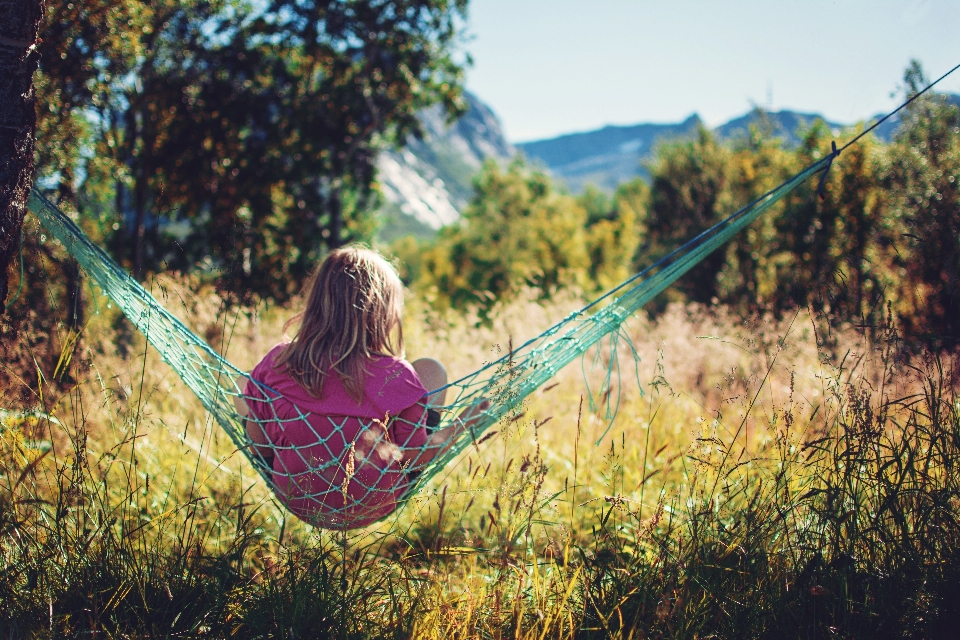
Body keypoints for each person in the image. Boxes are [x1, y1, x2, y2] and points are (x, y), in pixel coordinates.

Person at [233, 246, 486, 530]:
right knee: (432, 369)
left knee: (244, 383)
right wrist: (465, 422)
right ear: (383, 313)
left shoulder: (279, 361)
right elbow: (414, 459)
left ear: (316, 304)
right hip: (373, 501)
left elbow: (259, 445)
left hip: (297, 494)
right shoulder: (397, 376)